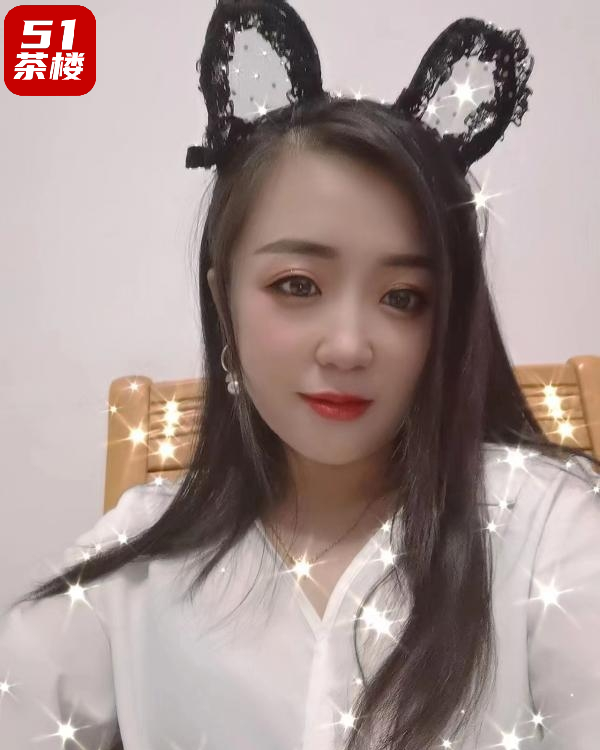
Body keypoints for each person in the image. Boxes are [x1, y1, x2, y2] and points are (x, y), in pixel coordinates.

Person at [2, 2, 600, 749]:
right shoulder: (134, 563)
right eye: (297, 285)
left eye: (403, 298)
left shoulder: (547, 532)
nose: (348, 347)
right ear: (223, 301)